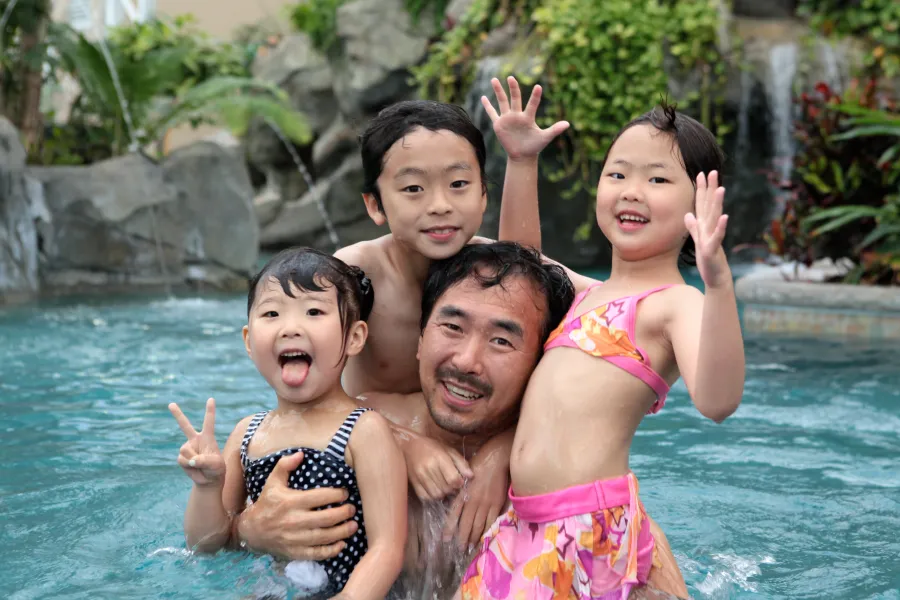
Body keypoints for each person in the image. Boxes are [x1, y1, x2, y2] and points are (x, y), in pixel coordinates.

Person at [233, 242, 692, 599]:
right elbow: (217, 535)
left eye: (501, 342)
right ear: (419, 338)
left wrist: (502, 455)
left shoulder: (560, 485)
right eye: (451, 327)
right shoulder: (352, 427)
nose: (467, 361)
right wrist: (248, 530)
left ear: (539, 363)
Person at [458, 104, 746, 599]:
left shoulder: (674, 305)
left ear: (698, 206)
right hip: (521, 523)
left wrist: (718, 282)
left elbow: (717, 403)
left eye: (657, 179)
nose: (631, 189)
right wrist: (523, 163)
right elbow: (518, 269)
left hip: (587, 526)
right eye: (618, 173)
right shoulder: (583, 294)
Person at [332, 82, 570, 546]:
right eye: (414, 188)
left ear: (484, 195)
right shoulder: (353, 275)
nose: (440, 204)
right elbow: (309, 395)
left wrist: (503, 453)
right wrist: (404, 443)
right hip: (376, 443)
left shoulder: (486, 265)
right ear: (375, 204)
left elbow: (532, 299)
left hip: (471, 448)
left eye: (459, 185)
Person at [168, 247, 408, 600]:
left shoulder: (363, 431)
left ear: (354, 337)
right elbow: (207, 544)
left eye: (313, 311)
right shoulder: (247, 434)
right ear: (249, 341)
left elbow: (387, 550)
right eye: (271, 313)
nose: (290, 328)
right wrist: (206, 487)